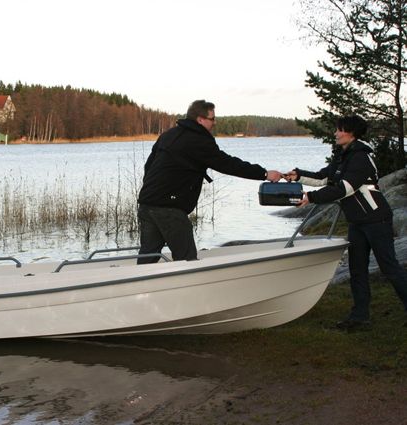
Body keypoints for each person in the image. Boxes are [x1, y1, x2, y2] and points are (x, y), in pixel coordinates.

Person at [285, 115, 407, 331]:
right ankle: (360, 317)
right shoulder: (344, 155)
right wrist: (298, 176)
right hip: (357, 222)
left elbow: (344, 189)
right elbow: (324, 178)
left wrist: (310, 198)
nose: (336, 133)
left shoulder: (360, 157)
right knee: (357, 269)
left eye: (339, 130)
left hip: (376, 220)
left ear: (351, 132)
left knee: (390, 268)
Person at [137, 100, 283, 265]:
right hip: (169, 208)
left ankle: (138, 288)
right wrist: (264, 174)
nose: (215, 122)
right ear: (200, 119)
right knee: (187, 260)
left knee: (147, 257)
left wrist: (152, 189)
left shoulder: (169, 135)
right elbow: (227, 164)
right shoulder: (199, 140)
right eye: (212, 118)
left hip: (147, 203)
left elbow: (149, 166)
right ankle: (190, 288)